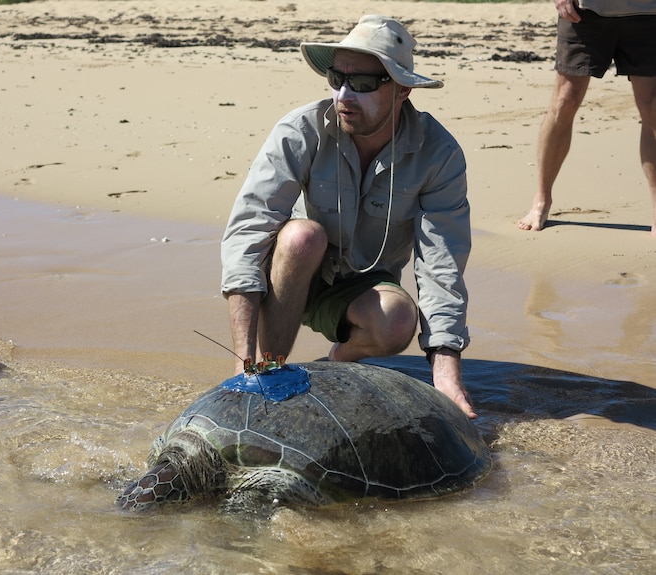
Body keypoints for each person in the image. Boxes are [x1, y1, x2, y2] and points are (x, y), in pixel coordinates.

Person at [220, 15, 476, 419]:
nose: (343, 96)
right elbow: (249, 230)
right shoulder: (300, 130)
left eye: (362, 84)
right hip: (289, 274)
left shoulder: (439, 154)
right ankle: (268, 369)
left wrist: (446, 373)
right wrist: (242, 361)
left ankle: (335, 365)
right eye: (336, 78)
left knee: (397, 320)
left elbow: (441, 263)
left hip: (362, 286)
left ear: (403, 90)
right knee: (302, 237)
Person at [518, 0, 656, 236]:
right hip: (584, 13)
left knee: (652, 108)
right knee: (565, 101)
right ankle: (541, 198)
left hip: (648, 12)